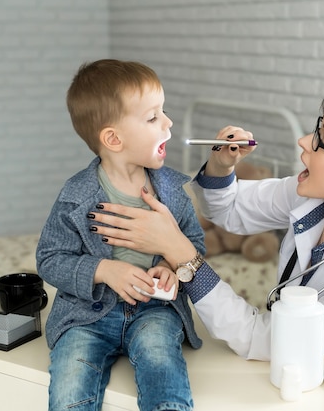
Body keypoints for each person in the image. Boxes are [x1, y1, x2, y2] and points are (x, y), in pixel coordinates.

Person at [86, 85, 324, 360]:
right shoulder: (310, 198)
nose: (303, 142)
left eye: (323, 138)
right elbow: (231, 210)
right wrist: (222, 167)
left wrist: (182, 255)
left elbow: (268, 340)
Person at [36, 59, 205, 411]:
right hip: (86, 317)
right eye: (153, 117)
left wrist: (170, 268)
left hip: (155, 311)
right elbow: (50, 259)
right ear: (113, 138)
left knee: (162, 365)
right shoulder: (75, 196)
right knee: (69, 387)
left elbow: (194, 247)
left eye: (164, 112)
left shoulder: (172, 191)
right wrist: (103, 270)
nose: (168, 123)